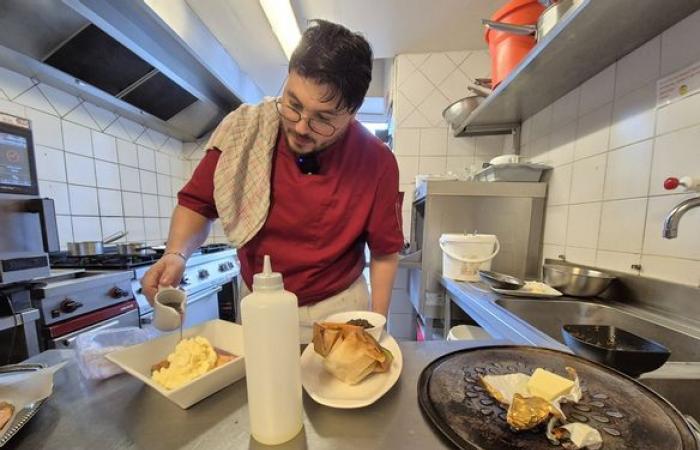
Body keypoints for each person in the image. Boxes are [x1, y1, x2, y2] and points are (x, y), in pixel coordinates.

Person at [140, 19, 403, 342]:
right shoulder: (246, 131)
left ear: (352, 112)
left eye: (322, 118)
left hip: (337, 308)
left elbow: (384, 253)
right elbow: (197, 203)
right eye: (292, 104)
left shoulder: (377, 162)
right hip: (258, 302)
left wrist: (377, 326)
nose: (301, 127)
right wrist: (175, 254)